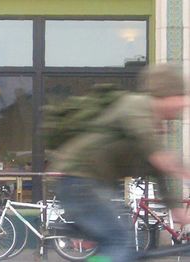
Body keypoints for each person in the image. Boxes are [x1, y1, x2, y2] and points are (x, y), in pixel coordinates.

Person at [50, 64, 190, 262]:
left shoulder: (155, 123)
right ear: (167, 94)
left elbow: (159, 171)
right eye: (181, 98)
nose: (184, 105)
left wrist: (176, 208)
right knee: (119, 242)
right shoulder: (137, 105)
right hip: (81, 179)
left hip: (90, 182)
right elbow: (157, 155)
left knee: (117, 245)